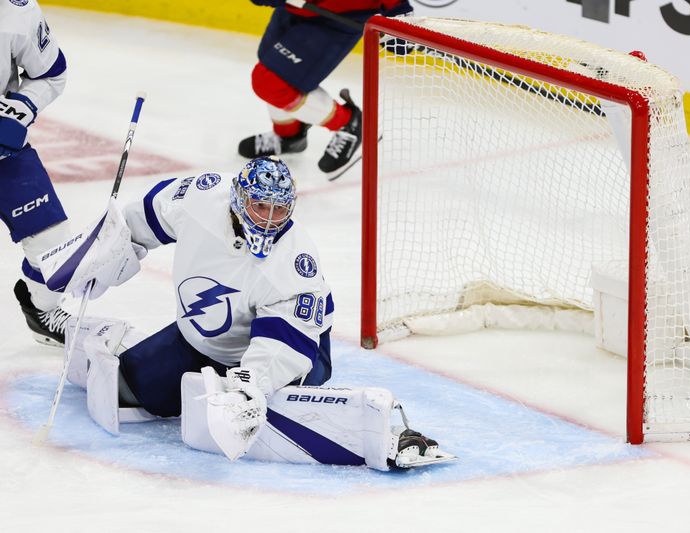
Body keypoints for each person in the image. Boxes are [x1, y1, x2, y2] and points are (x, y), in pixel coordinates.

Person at [42, 156, 453, 468]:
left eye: (280, 210)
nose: (271, 220)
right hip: (203, 339)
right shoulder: (199, 197)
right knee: (133, 391)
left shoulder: (294, 264)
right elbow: (139, 223)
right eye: (260, 206)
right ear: (239, 197)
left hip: (296, 348)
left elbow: (280, 346)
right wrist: (103, 257)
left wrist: (245, 388)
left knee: (246, 408)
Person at [239, 0, 413, 179]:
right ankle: (289, 136)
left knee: (271, 80)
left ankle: (351, 124)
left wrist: (400, 15)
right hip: (295, 8)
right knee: (272, 63)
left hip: (336, 18)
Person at [3, 0, 73, 347]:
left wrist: (21, 106)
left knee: (56, 248)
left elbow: (50, 73)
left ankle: (40, 310)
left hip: (4, 155)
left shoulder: (17, 10)